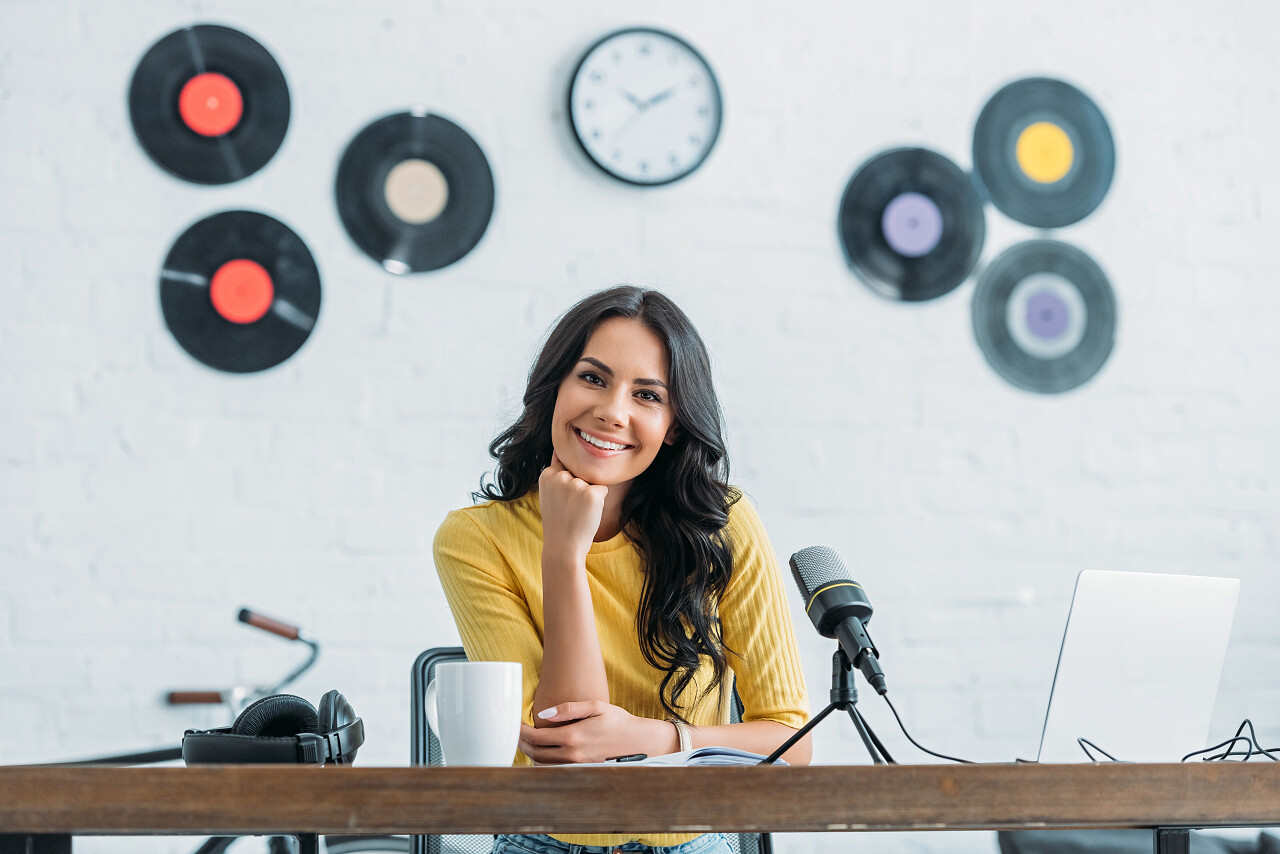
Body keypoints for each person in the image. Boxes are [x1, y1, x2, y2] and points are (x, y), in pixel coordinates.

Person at [434, 285, 811, 854]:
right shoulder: (475, 539)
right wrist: (564, 553)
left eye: (647, 395)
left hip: (693, 840)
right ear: (553, 387)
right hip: (545, 839)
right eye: (592, 377)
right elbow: (567, 752)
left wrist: (653, 738)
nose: (612, 411)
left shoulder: (724, 524)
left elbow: (788, 738)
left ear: (675, 425)